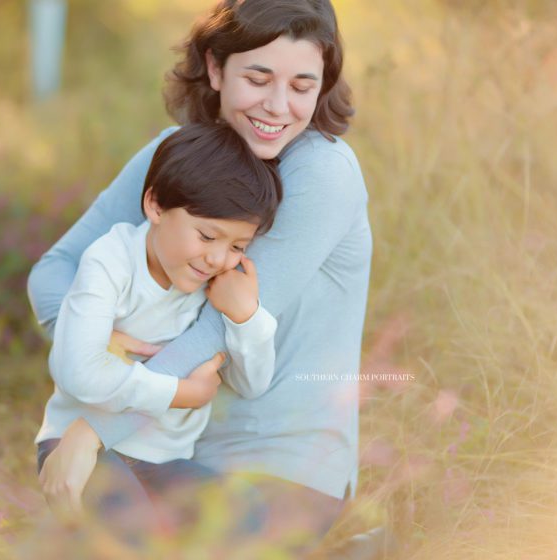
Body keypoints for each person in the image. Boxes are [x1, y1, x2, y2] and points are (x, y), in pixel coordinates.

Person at [28, 0, 372, 553]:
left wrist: (89, 433)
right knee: (95, 516)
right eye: (258, 78)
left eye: (302, 86)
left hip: (283, 468)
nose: (278, 107)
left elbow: (214, 331)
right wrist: (89, 333)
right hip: (165, 448)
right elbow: (55, 270)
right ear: (215, 68)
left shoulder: (324, 172)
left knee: (128, 522)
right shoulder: (180, 157)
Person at [36, 123, 282, 532]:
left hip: (167, 460)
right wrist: (178, 393)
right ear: (155, 206)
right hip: (80, 446)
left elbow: (252, 382)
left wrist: (246, 317)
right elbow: (78, 371)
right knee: (129, 527)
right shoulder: (110, 263)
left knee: (248, 516)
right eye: (207, 235)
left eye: (238, 246)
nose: (218, 258)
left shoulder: (215, 284)